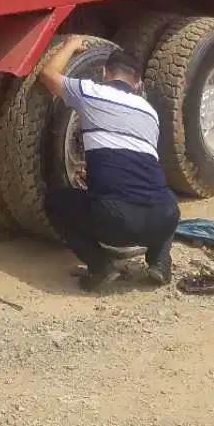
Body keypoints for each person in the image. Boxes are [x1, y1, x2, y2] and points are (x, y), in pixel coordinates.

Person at [37, 33, 180, 292]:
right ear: (137, 83)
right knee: (161, 197)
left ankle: (100, 267)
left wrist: (70, 44)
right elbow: (134, 161)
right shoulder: (150, 112)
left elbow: (48, 75)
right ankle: (159, 261)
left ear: (104, 73)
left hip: (117, 222)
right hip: (165, 219)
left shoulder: (92, 92)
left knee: (56, 202)